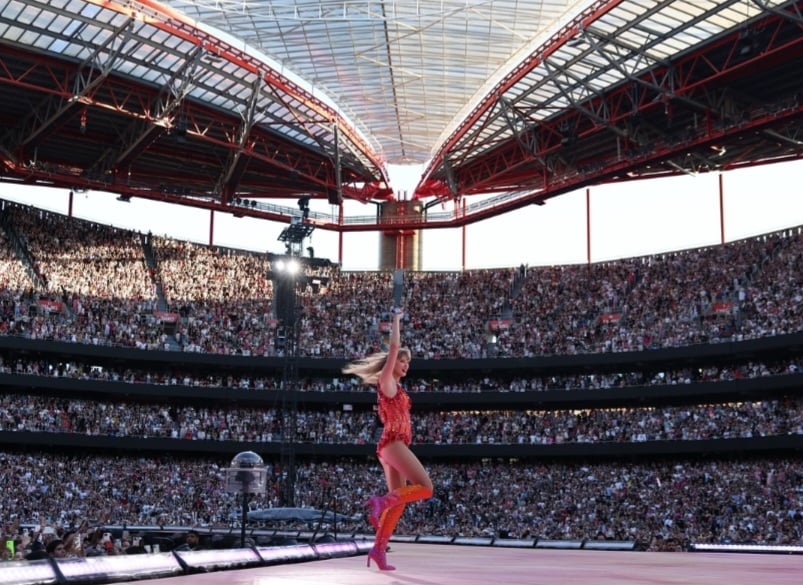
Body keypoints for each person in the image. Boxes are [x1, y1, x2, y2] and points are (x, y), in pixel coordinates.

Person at [342, 308, 433, 571]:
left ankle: (379, 550)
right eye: (403, 361)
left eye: (408, 363)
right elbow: (393, 346)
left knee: (400, 502)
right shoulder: (387, 382)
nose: (405, 365)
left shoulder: (396, 387)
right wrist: (396, 319)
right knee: (426, 487)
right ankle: (382, 502)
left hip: (391, 446)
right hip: (393, 443)